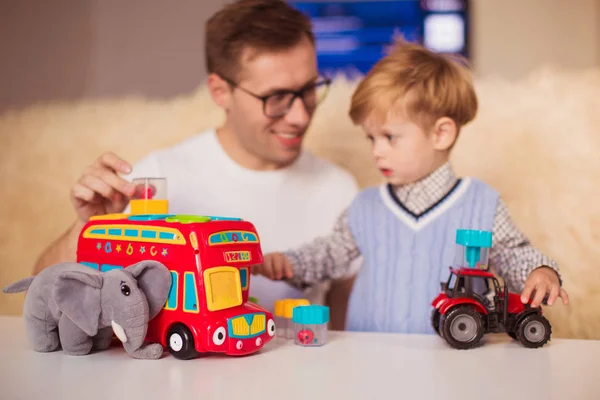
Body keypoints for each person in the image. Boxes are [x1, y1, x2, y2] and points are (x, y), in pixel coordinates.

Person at [32, 0, 359, 327]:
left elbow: (347, 332)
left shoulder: (339, 190)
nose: (300, 116)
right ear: (220, 92)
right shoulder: (157, 178)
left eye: (309, 89)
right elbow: (43, 297)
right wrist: (89, 229)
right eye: (276, 98)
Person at [255, 39, 569, 334]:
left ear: (441, 134)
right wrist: (289, 263)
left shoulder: (480, 203)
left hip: (450, 364)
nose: (377, 151)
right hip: (369, 361)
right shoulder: (365, 206)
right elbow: (329, 254)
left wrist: (539, 271)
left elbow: (514, 253)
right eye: (371, 138)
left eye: (390, 137)